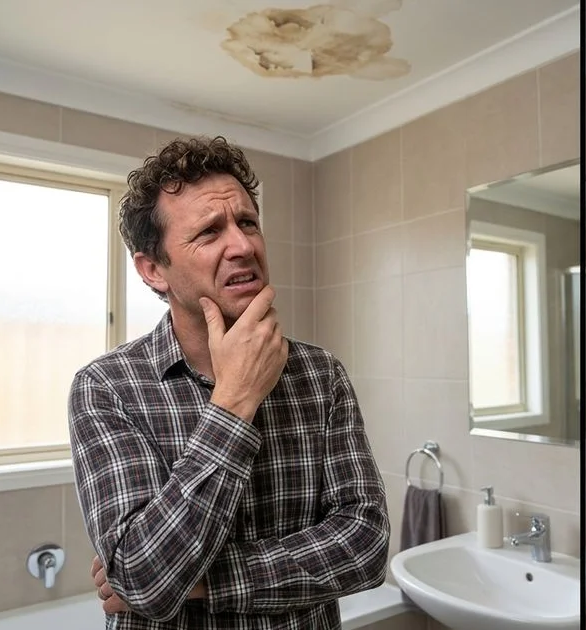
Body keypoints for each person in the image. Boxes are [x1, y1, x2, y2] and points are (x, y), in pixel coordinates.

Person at [67, 136, 390, 629]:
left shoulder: (321, 375)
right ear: (153, 270)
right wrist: (235, 402)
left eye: (248, 223)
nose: (243, 246)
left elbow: (365, 546)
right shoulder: (106, 387)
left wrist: (200, 583)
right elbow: (143, 576)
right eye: (209, 232)